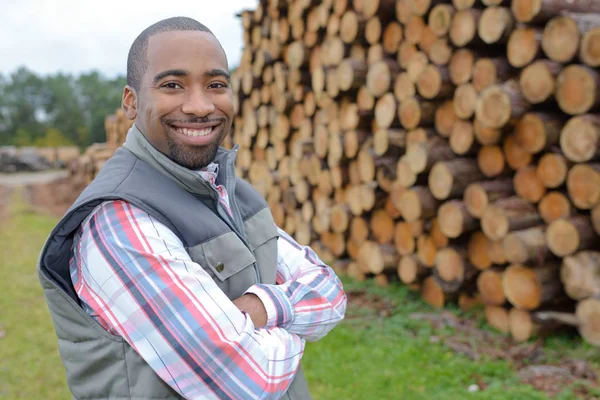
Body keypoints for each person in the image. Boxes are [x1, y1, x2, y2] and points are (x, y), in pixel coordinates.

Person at [37, 16, 347, 400]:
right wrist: (294, 315)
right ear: (131, 102)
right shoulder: (120, 220)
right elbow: (250, 379)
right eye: (172, 85)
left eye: (216, 84)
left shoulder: (230, 193)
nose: (200, 106)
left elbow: (331, 293)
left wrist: (260, 310)